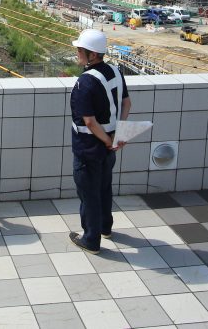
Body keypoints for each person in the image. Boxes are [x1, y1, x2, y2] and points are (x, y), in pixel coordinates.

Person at [67, 28, 131, 254]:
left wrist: (107, 140)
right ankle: (106, 227)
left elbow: (90, 122)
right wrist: (117, 136)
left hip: (89, 147)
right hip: (109, 146)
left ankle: (91, 239)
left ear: (92, 54)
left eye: (80, 49)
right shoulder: (114, 71)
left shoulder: (85, 82)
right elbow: (126, 104)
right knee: (104, 187)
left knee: (88, 193)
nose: (77, 53)